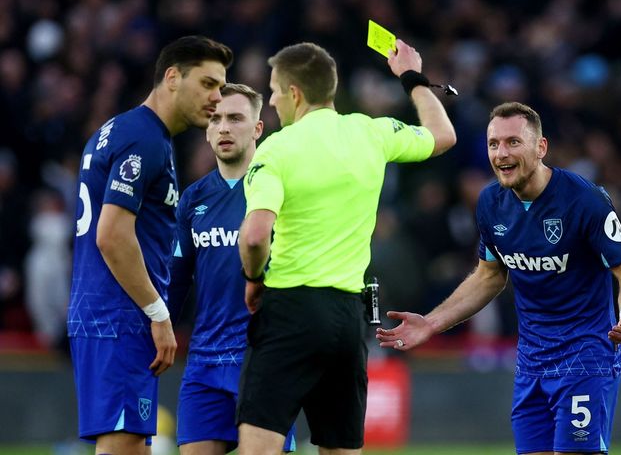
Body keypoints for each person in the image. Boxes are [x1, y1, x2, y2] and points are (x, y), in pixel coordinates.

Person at [376, 101, 621, 455]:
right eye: (494, 144)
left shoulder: (585, 201)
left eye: (513, 142)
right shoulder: (490, 203)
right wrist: (431, 323)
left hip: (585, 357)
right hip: (531, 361)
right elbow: (489, 277)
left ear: (541, 147)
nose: (501, 153)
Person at [237, 39, 456, 454]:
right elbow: (442, 134)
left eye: (274, 90)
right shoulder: (370, 131)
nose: (271, 99)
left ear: (295, 94)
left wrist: (252, 277)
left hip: (291, 308)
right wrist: (413, 78)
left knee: (257, 448)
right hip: (347, 319)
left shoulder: (277, 148)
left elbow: (254, 235)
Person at [67, 35, 233, 455]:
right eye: (208, 84)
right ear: (173, 77)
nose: (217, 98)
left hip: (106, 309)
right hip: (121, 312)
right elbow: (112, 234)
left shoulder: (121, 131)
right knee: (123, 445)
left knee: (133, 444)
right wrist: (158, 314)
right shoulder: (143, 138)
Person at [167, 84, 295, 454]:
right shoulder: (193, 198)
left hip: (261, 359)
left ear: (257, 128)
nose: (224, 128)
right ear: (207, 131)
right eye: (216, 119)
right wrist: (159, 325)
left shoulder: (278, 189)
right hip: (204, 362)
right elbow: (177, 278)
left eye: (236, 119)